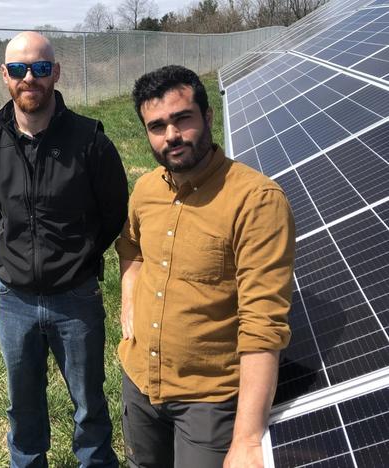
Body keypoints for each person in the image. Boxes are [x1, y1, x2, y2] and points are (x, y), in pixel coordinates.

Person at [115, 65, 295, 468]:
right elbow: (131, 249)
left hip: (208, 402)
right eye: (157, 126)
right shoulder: (145, 190)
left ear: (208, 116)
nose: (171, 136)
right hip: (140, 382)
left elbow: (263, 324)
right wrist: (129, 304)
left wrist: (248, 438)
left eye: (182, 119)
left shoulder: (256, 201)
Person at [0, 31, 128, 467]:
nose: (30, 78)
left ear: (55, 73)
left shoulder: (90, 141)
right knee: (21, 406)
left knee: (89, 404)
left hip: (75, 299)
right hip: (13, 300)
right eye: (19, 69)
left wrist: (77, 258)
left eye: (40, 68)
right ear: (5, 75)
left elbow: (114, 212)